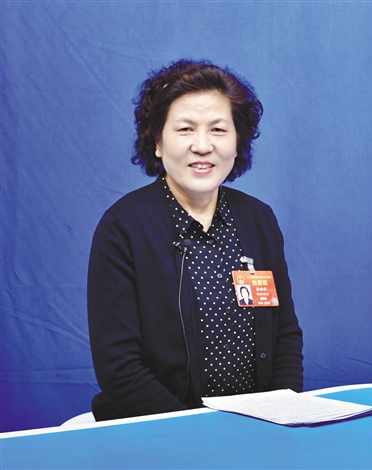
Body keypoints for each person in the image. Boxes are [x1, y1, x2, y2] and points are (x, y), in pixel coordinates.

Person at [87, 59, 303, 421]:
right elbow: (119, 368)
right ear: (157, 141)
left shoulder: (258, 219)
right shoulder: (123, 227)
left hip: (256, 429)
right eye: (185, 129)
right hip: (160, 432)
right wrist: (196, 434)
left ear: (237, 141)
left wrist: (282, 414)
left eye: (218, 129)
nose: (203, 146)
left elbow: (285, 334)